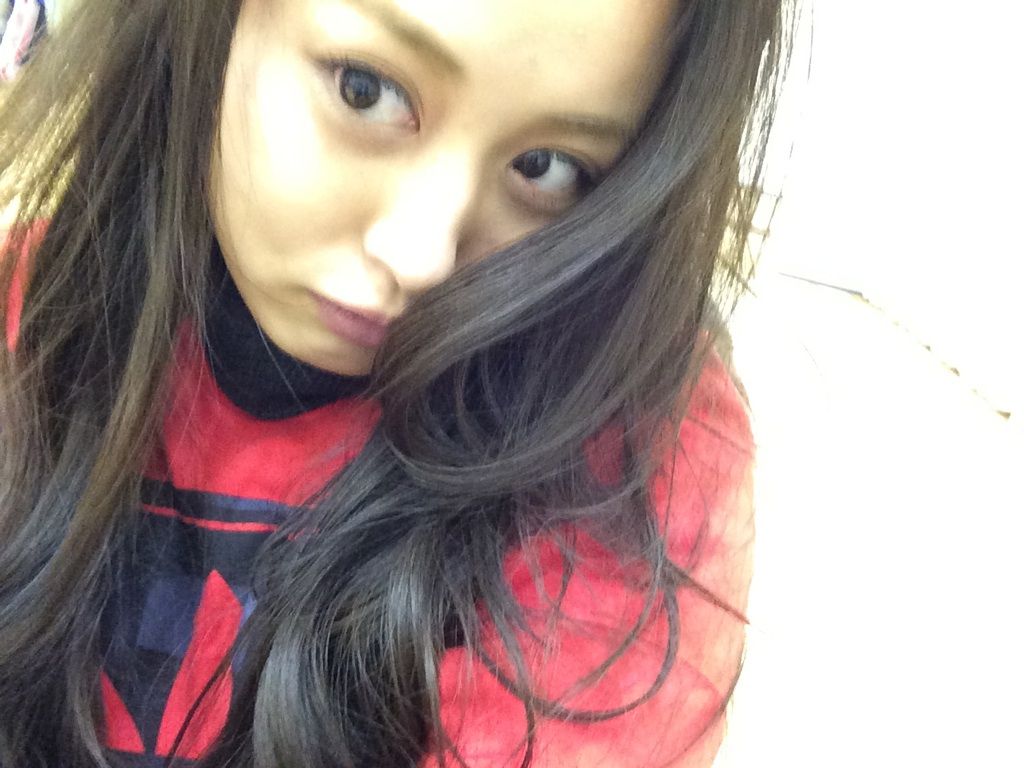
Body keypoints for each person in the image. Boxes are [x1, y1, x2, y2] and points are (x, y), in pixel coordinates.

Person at [0, 0, 791, 766]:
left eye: (545, 169)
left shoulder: (632, 452)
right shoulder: (29, 316)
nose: (421, 256)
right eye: (365, 89)